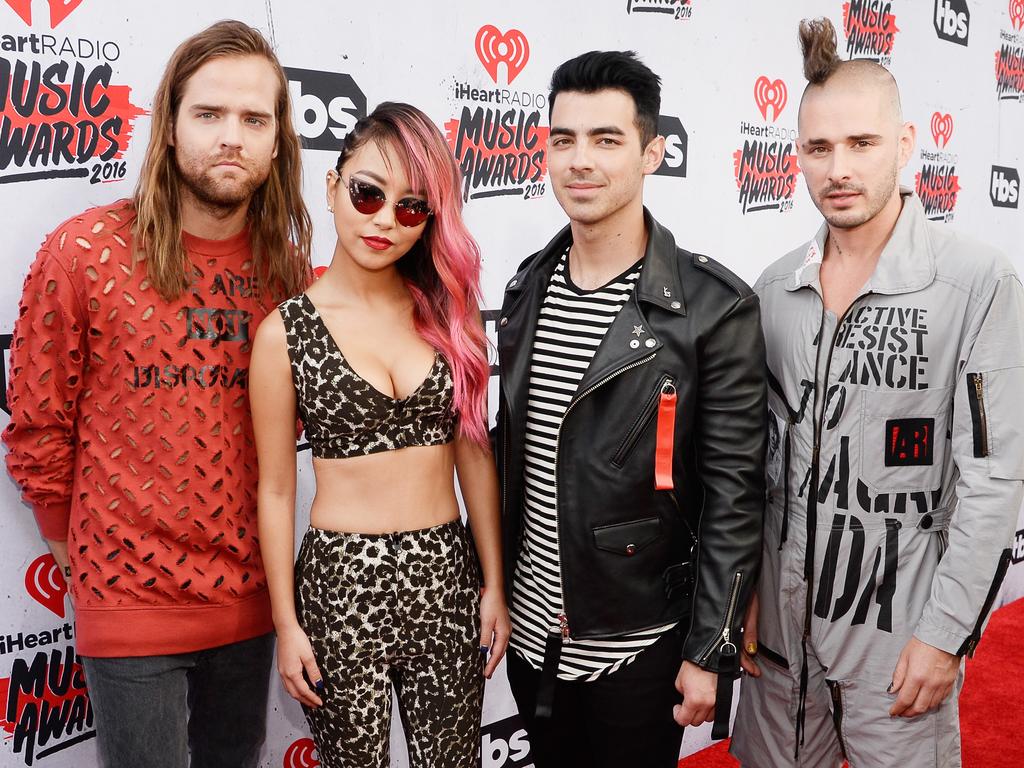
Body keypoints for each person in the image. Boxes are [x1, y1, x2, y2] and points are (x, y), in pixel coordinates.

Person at [2, 19, 311, 768]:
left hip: (253, 605)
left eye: (252, 119)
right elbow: (37, 424)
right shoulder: (84, 252)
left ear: (277, 145)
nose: (230, 137)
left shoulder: (289, 275)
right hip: (129, 606)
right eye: (208, 114)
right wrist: (89, 561)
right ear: (170, 126)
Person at [731, 18, 1024, 768]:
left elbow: (994, 480)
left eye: (861, 144)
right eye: (818, 148)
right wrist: (747, 592)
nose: (839, 169)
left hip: (898, 636)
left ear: (906, 142)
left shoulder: (978, 283)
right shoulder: (772, 290)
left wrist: (946, 633)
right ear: (795, 155)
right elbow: (755, 469)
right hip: (781, 645)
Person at [493, 50, 766, 767]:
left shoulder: (712, 307)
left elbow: (736, 494)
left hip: (640, 648)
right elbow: (512, 455)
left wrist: (710, 648)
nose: (580, 161)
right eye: (564, 139)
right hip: (532, 645)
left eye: (606, 140)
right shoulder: (528, 290)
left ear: (653, 153)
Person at [250, 101, 510, 768]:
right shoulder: (286, 332)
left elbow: (474, 455)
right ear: (333, 187)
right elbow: (277, 490)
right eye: (368, 193)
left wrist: (493, 583)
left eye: (412, 207)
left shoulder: (452, 318)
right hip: (340, 585)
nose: (384, 221)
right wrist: (286, 622)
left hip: (444, 579)